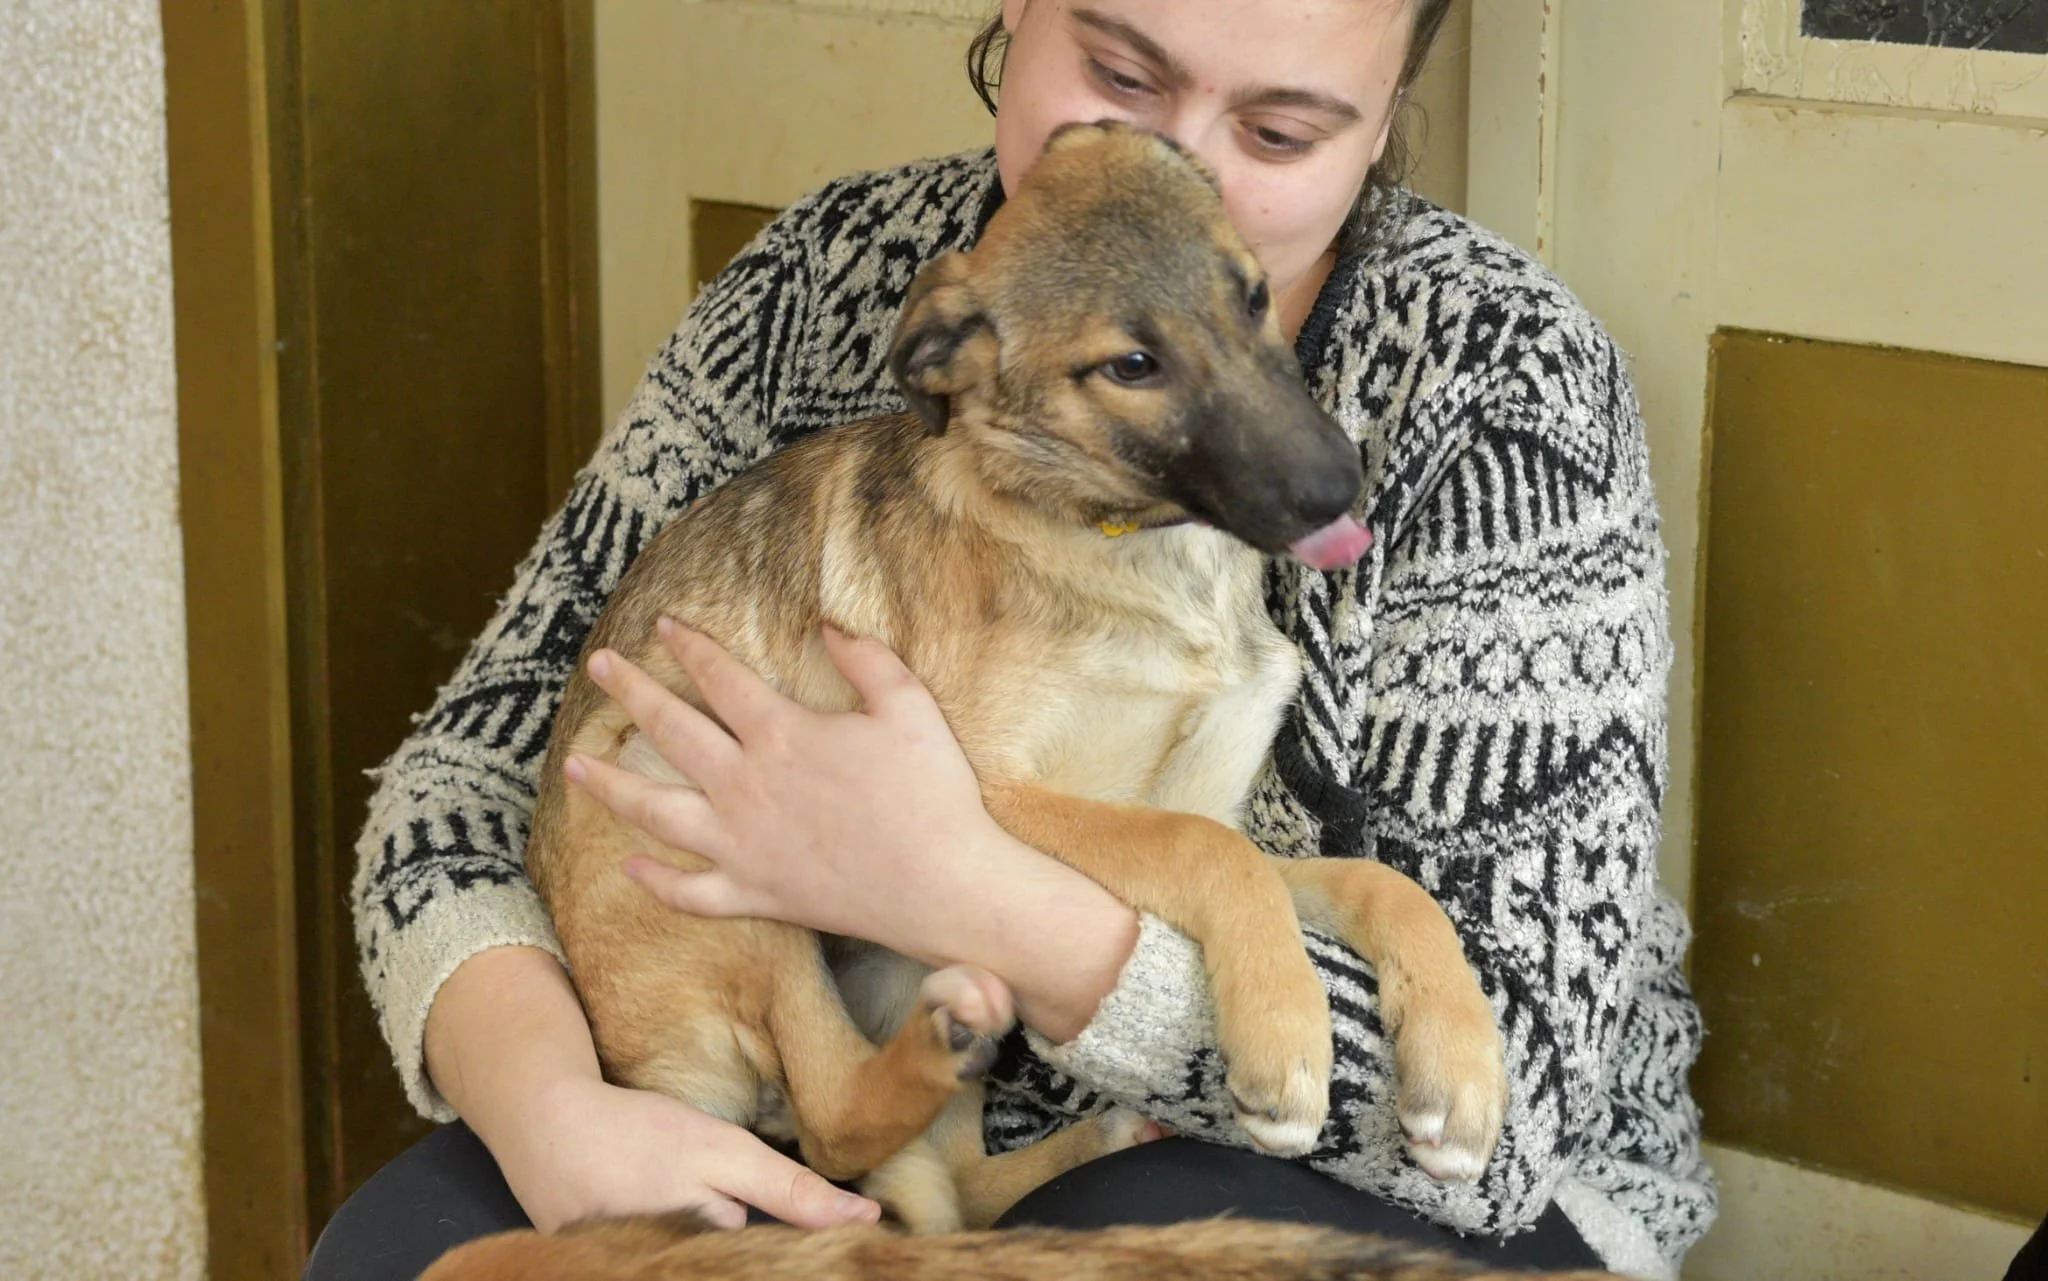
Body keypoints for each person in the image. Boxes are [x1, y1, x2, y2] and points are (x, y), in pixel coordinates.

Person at [308, 2, 1717, 1278]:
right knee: (398, 1257)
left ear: (1385, 119)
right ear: (1016, 12)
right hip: (847, 1096)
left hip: (1406, 1183)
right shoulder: (821, 275)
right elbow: (469, 785)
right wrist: (556, 1114)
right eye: (1115, 71)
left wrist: (953, 888)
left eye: (1281, 128)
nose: (1172, 168)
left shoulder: (1505, 388)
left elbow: (1510, 1113)